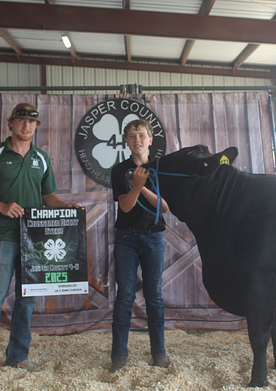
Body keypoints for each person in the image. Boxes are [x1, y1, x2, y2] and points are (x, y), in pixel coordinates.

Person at [0, 103, 80, 376]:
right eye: (20, 120)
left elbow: (48, 196)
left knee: (27, 300)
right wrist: (1, 206)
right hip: (4, 237)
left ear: (36, 126)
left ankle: (17, 356)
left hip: (35, 240)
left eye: (31, 122)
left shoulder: (42, 158)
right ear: (11, 123)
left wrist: (66, 207)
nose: (26, 126)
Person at [109, 119, 170, 373]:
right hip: (126, 238)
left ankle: (159, 353)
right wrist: (136, 186)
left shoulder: (160, 169)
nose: (137, 140)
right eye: (132, 136)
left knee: (154, 296)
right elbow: (125, 206)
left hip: (153, 236)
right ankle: (118, 355)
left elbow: (164, 207)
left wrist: (140, 187)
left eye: (142, 135)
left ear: (150, 140)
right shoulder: (119, 170)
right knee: (125, 295)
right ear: (126, 141)